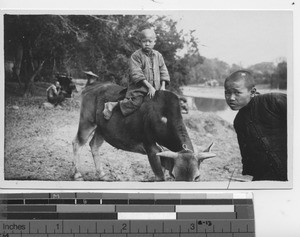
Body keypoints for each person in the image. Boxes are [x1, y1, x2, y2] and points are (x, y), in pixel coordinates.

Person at [224, 70, 287, 181]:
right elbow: (247, 156)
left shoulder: (274, 101)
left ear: (252, 92)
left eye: (237, 93)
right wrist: (248, 175)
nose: (231, 98)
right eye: (227, 93)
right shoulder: (239, 121)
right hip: (266, 178)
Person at [103, 28, 170, 120]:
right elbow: (137, 74)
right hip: (139, 89)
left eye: (150, 41)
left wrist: (163, 86)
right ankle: (112, 105)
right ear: (140, 42)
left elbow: (163, 71)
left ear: (154, 42)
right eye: (144, 41)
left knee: (168, 103)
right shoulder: (136, 56)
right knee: (136, 103)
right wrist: (149, 87)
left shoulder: (158, 55)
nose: (147, 44)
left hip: (156, 89)